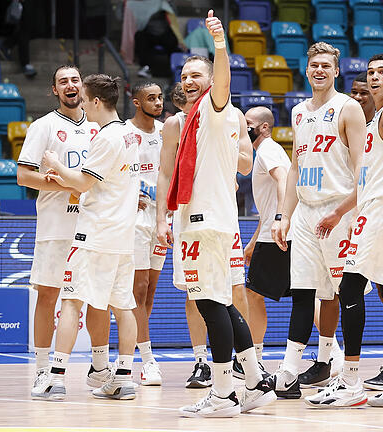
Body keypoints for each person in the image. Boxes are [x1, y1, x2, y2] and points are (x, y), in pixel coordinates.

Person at [159, 10, 275, 417]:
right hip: (209, 218)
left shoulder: (215, 107)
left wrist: (220, 43)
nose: (188, 81)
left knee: (208, 302)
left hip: (205, 221)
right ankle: (256, 379)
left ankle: (224, 393)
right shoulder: (191, 120)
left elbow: (222, 80)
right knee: (222, 303)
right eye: (184, 76)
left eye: (197, 75)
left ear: (210, 82)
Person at [306, 54, 383, 408]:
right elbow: (369, 180)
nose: (374, 77)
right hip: (375, 207)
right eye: (370, 72)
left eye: (382, 72)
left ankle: (351, 382)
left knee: (351, 286)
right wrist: (338, 212)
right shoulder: (378, 118)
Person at [32, 73, 141, 401]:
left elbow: (82, 183)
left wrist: (55, 165)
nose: (81, 104)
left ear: (96, 101)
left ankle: (55, 377)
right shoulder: (130, 134)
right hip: (123, 235)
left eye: (84, 98)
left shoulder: (106, 138)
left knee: (71, 301)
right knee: (123, 307)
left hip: (94, 233)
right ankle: (122, 377)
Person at [269, 42, 366, 398]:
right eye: (315, 65)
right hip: (306, 212)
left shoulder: (349, 108)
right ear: (306, 70)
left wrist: (346, 211)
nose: (320, 70)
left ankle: (346, 369)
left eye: (326, 65)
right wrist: (283, 215)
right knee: (305, 292)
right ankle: (290, 371)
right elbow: (295, 167)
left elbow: (363, 170)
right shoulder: (298, 111)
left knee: (344, 292)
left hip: (339, 209)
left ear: (336, 71)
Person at [18, 65, 113, 397]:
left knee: (97, 297)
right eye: (63, 82)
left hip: (94, 225)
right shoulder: (43, 126)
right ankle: (43, 370)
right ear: (55, 90)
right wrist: (58, 183)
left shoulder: (100, 128)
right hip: (57, 226)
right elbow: (23, 176)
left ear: (83, 88)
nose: (70, 85)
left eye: (75, 80)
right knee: (48, 296)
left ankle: (100, 369)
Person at [158, 83, 212, 388]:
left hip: (218, 210)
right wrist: (160, 219)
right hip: (184, 211)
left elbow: (244, 163)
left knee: (230, 289)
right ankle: (201, 361)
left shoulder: (222, 117)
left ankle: (246, 359)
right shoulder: (174, 125)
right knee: (193, 292)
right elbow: (165, 173)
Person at [350, 71, 383, 390]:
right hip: (361, 211)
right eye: (353, 92)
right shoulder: (361, 129)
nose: (357, 98)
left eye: (363, 92)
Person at [242, 106, 291, 365]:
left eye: (248, 123)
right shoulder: (270, 151)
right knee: (308, 296)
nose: (243, 128)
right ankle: (333, 355)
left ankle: (253, 360)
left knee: (252, 294)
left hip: (278, 235)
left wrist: (280, 219)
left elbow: (284, 180)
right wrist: (251, 243)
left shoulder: (268, 151)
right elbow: (268, 206)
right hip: (282, 232)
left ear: (263, 127)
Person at [126, 81, 165, 386]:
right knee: (137, 287)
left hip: (161, 217)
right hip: (136, 218)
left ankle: (129, 348)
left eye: (160, 97)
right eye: (151, 98)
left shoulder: (166, 131)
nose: (158, 102)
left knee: (149, 291)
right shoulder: (125, 133)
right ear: (137, 103)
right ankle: (148, 360)